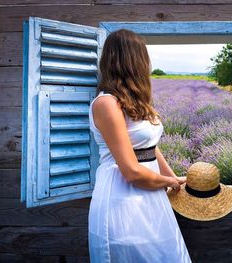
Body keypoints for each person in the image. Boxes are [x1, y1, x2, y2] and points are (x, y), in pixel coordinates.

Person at [88, 28, 192, 263]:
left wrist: (173, 179)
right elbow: (131, 172)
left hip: (152, 193)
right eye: (143, 57)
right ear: (134, 61)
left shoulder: (136, 102)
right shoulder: (107, 103)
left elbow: (150, 147)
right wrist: (169, 182)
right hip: (122, 199)